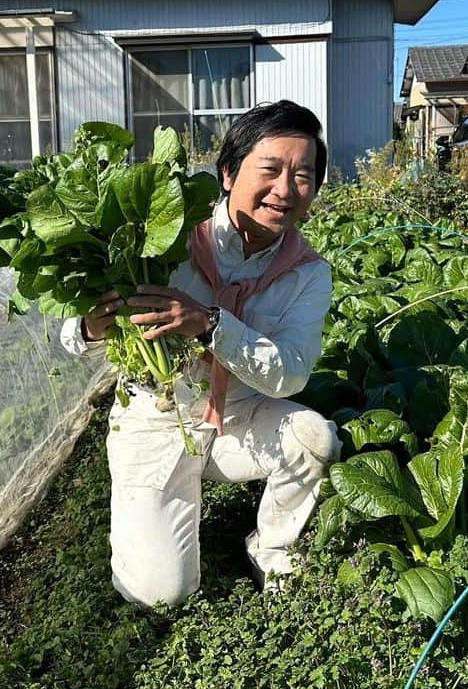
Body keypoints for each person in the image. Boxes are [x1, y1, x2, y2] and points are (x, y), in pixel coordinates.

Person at [60, 100, 338, 606]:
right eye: (271, 170)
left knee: (313, 438)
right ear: (229, 173)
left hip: (238, 416)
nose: (284, 190)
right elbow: (69, 335)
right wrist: (90, 326)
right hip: (156, 413)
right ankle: (143, 517)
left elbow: (293, 372)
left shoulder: (308, 273)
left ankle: (271, 551)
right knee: (162, 595)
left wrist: (210, 324)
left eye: (303, 176)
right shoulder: (168, 235)